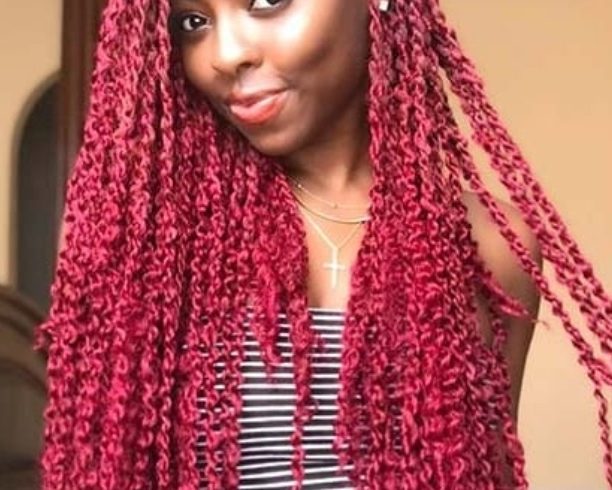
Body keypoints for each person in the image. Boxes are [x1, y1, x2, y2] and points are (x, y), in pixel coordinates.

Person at [36, 0, 612, 488]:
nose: (224, 54)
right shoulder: (140, 241)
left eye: (265, 2)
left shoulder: (490, 245)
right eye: (193, 22)